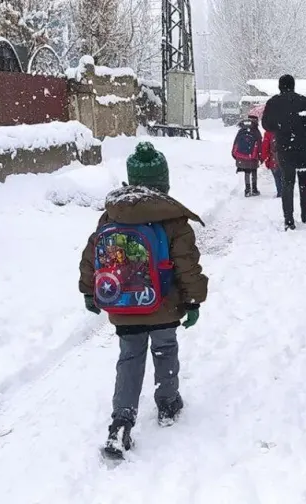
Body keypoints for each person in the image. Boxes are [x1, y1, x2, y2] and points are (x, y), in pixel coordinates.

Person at [79, 141, 208, 457]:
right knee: (165, 350)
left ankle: (121, 421)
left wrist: (90, 291)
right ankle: (167, 402)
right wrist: (193, 300)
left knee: (130, 358)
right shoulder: (173, 219)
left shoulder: (113, 215)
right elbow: (187, 265)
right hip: (164, 304)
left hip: (124, 305)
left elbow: (93, 256)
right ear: (164, 182)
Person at [261, 74, 306, 231]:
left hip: (284, 149)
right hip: (303, 149)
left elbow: (266, 124)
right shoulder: (302, 101)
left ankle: (289, 220)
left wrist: (279, 127)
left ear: (280, 86)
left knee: (287, 183)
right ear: (293, 85)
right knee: (304, 183)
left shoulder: (273, 102)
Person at [232, 115, 263, 197]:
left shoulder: (241, 130)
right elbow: (260, 145)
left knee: (247, 172)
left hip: (242, 156)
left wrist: (235, 155)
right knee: (254, 171)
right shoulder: (256, 131)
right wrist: (261, 157)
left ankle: (247, 190)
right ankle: (254, 189)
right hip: (253, 157)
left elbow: (235, 143)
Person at [261, 129, 282, 198]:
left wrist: (264, 159)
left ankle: (280, 192)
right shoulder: (285, 129)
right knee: (285, 177)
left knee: (277, 177)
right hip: (285, 160)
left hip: (274, 161)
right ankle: (286, 193)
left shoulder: (268, 133)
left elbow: (265, 148)